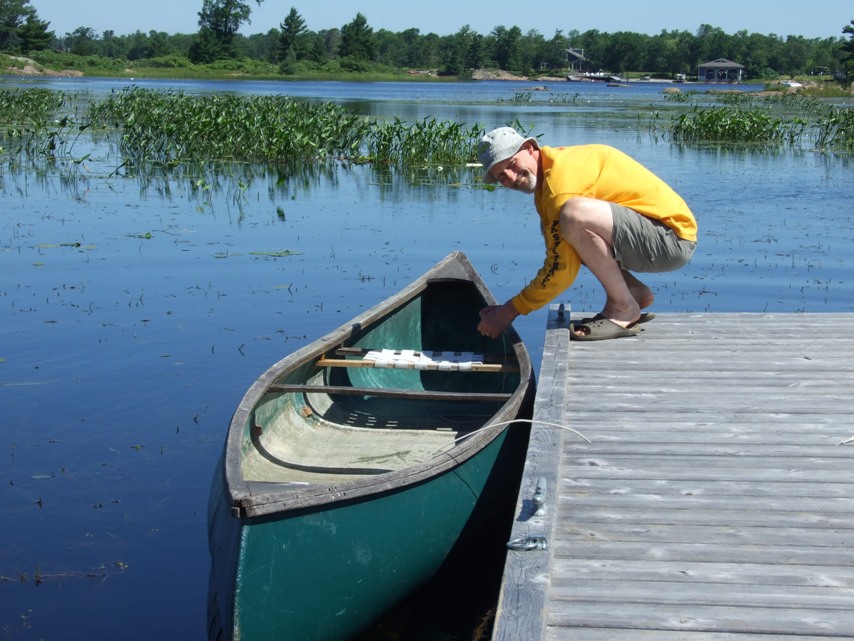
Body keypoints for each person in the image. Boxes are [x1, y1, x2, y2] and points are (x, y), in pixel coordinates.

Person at [475, 126, 697, 341]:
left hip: (671, 239)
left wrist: (509, 311)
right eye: (501, 176)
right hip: (661, 237)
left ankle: (623, 307)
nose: (511, 177)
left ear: (530, 148)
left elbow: (561, 270)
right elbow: (559, 256)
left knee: (574, 216)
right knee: (567, 234)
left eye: (512, 164)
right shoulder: (549, 178)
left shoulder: (560, 186)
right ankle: (633, 291)